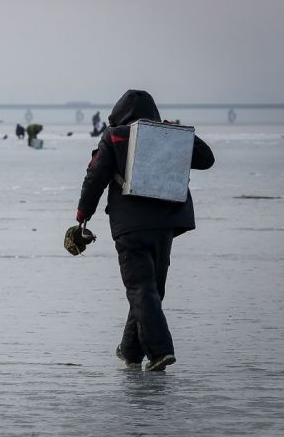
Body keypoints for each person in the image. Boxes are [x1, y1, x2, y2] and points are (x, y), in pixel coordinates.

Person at [74, 89, 214, 371]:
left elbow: (95, 177)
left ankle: (160, 352)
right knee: (151, 289)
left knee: (141, 289)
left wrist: (82, 217)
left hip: (130, 225)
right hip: (166, 224)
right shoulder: (167, 133)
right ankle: (130, 350)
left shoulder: (114, 136)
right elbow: (206, 159)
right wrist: (177, 133)